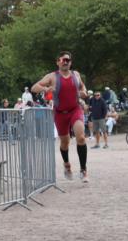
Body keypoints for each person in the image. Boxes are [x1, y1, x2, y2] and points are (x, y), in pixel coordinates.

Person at [32, 50, 90, 181]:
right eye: (63, 60)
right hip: (60, 113)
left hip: (75, 109)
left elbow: (83, 88)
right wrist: (45, 89)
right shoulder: (52, 76)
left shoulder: (76, 74)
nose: (65, 62)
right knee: (65, 142)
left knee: (81, 138)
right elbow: (34, 87)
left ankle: (83, 170)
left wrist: (84, 92)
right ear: (57, 62)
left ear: (71, 62)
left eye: (67, 60)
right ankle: (67, 165)